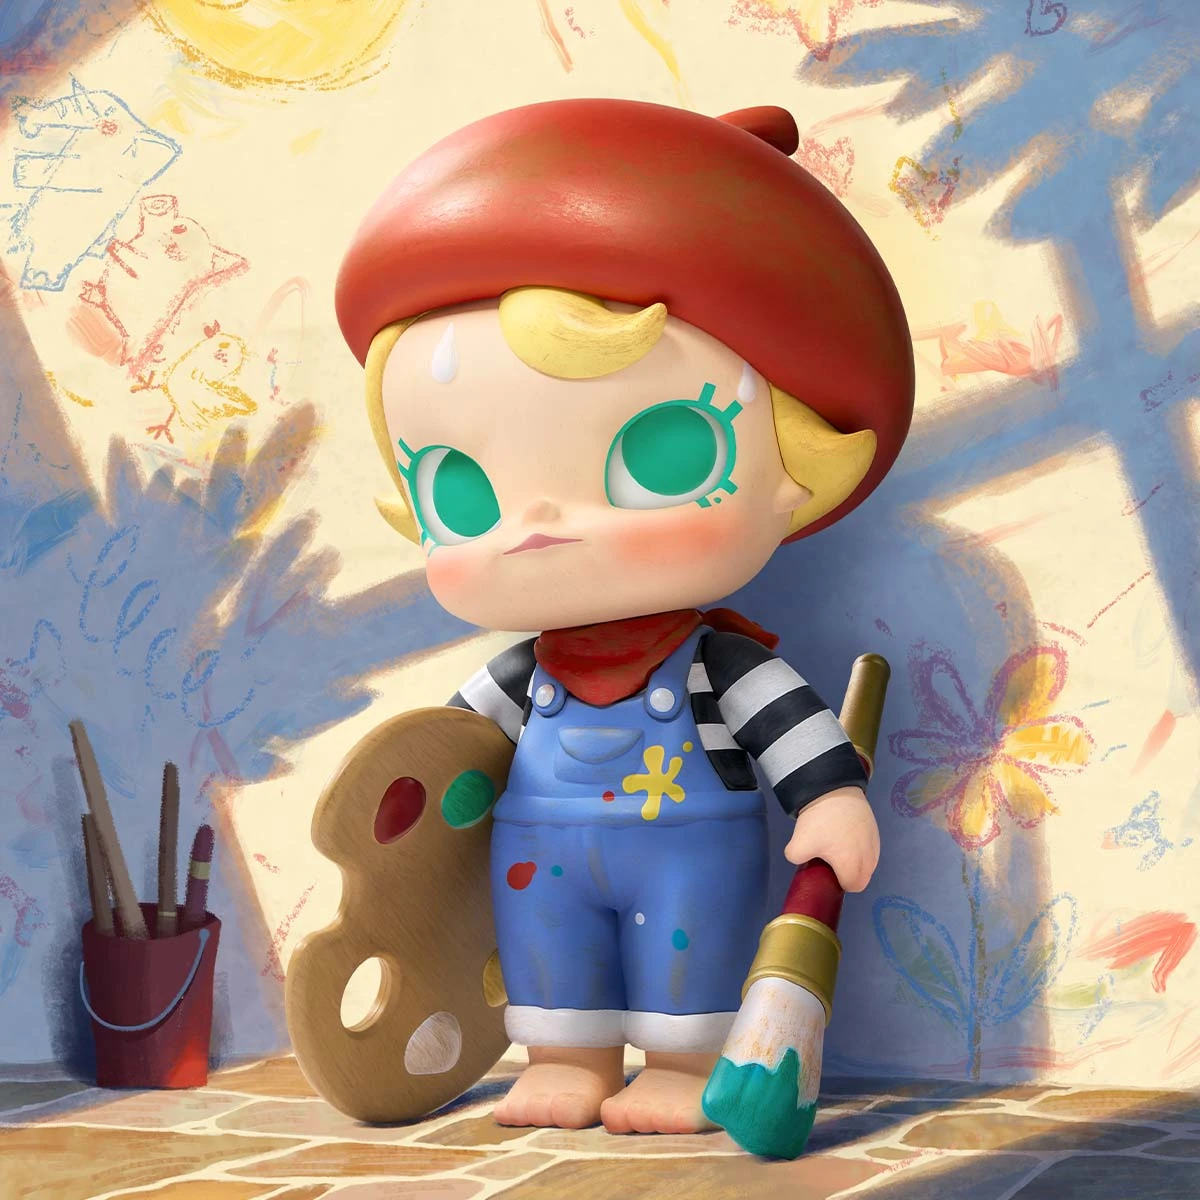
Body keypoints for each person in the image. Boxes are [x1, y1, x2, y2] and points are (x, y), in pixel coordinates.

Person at [335, 98, 914, 1135]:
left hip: (690, 852)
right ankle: (566, 1054)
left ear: (799, 464)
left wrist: (828, 794)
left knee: (689, 946)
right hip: (536, 857)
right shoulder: (522, 674)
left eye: (661, 453)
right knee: (549, 946)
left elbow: (788, 725)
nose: (534, 527)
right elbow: (457, 747)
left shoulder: (719, 662)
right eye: (461, 490)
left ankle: (683, 1066)